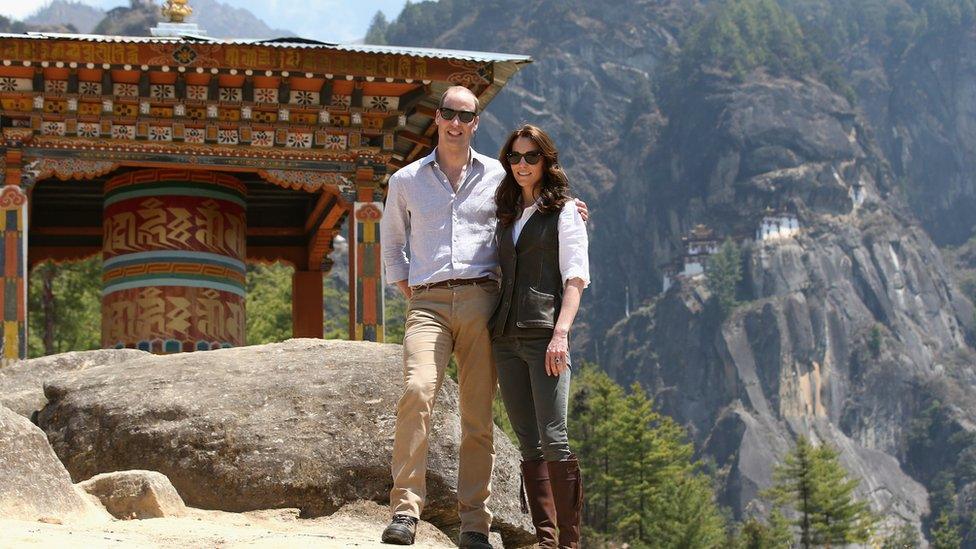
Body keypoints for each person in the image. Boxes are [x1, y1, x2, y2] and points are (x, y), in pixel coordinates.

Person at [379, 87, 586, 548]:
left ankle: (475, 522)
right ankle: (405, 511)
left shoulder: (498, 175)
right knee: (417, 391)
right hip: (427, 303)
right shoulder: (406, 180)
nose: (456, 122)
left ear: (476, 122)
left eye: (465, 115)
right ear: (437, 118)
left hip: (484, 304)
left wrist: (572, 209)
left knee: (478, 415)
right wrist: (413, 291)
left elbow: (539, 202)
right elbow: (392, 247)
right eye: (449, 113)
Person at [489, 125, 588, 549]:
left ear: (546, 160)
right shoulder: (506, 212)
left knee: (554, 436)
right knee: (527, 439)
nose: (522, 164)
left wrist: (561, 335)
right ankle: (545, 540)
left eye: (531, 156)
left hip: (545, 336)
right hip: (504, 337)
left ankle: (569, 542)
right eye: (515, 157)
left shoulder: (565, 212)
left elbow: (576, 278)